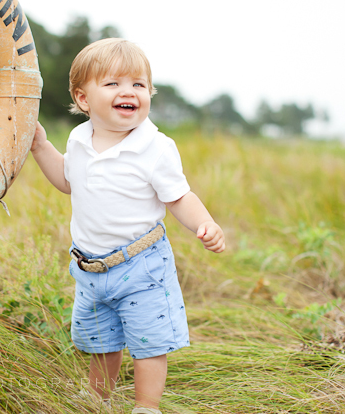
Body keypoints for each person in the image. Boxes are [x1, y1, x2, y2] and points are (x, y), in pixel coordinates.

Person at [30, 38, 224, 414]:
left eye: (138, 84)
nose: (128, 92)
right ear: (83, 99)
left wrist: (205, 223)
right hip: (90, 266)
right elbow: (68, 182)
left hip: (141, 264)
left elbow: (178, 196)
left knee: (149, 342)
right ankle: (96, 401)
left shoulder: (155, 147)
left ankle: (146, 406)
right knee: (102, 343)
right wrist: (40, 147)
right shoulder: (79, 139)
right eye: (113, 83)